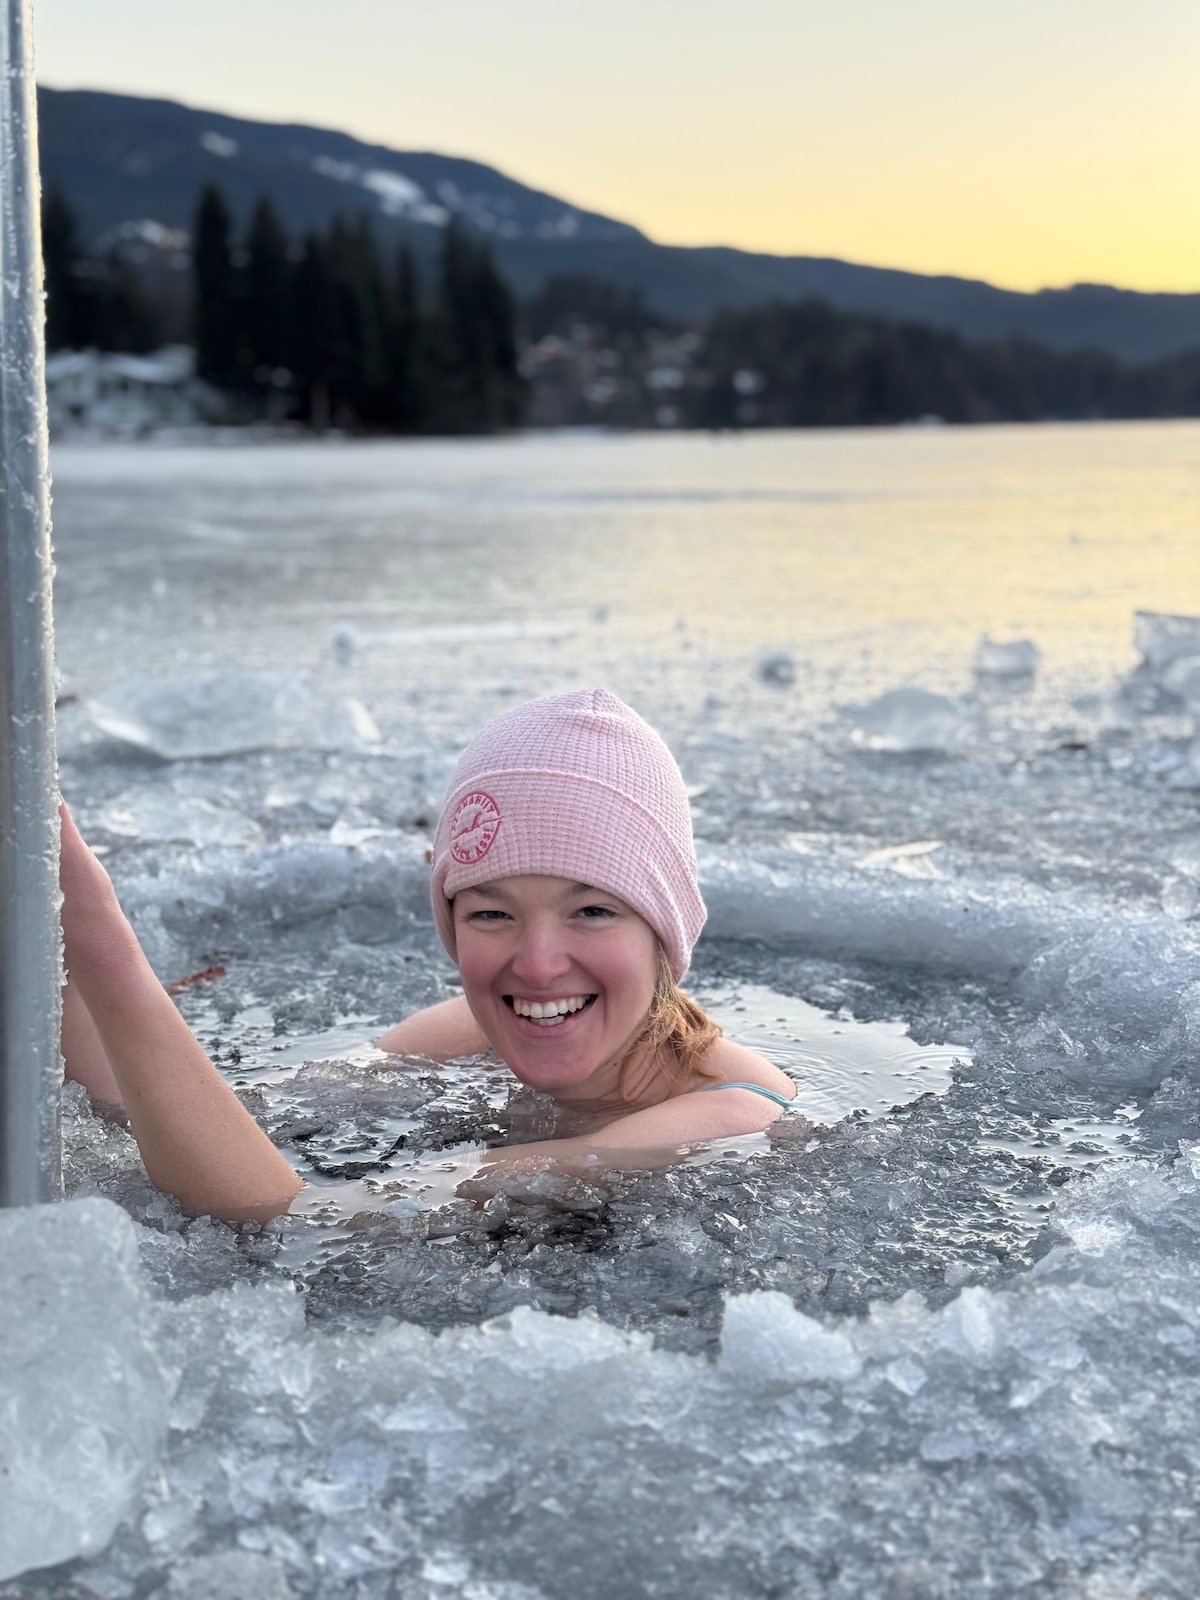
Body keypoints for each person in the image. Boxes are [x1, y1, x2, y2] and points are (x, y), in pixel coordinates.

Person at [61, 689, 794, 1222]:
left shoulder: (726, 1117)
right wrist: (49, 927)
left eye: (593, 911)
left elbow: (295, 1224)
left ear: (666, 932)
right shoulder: (468, 1035)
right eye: (492, 913)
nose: (538, 966)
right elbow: (169, 1117)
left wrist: (105, 948)